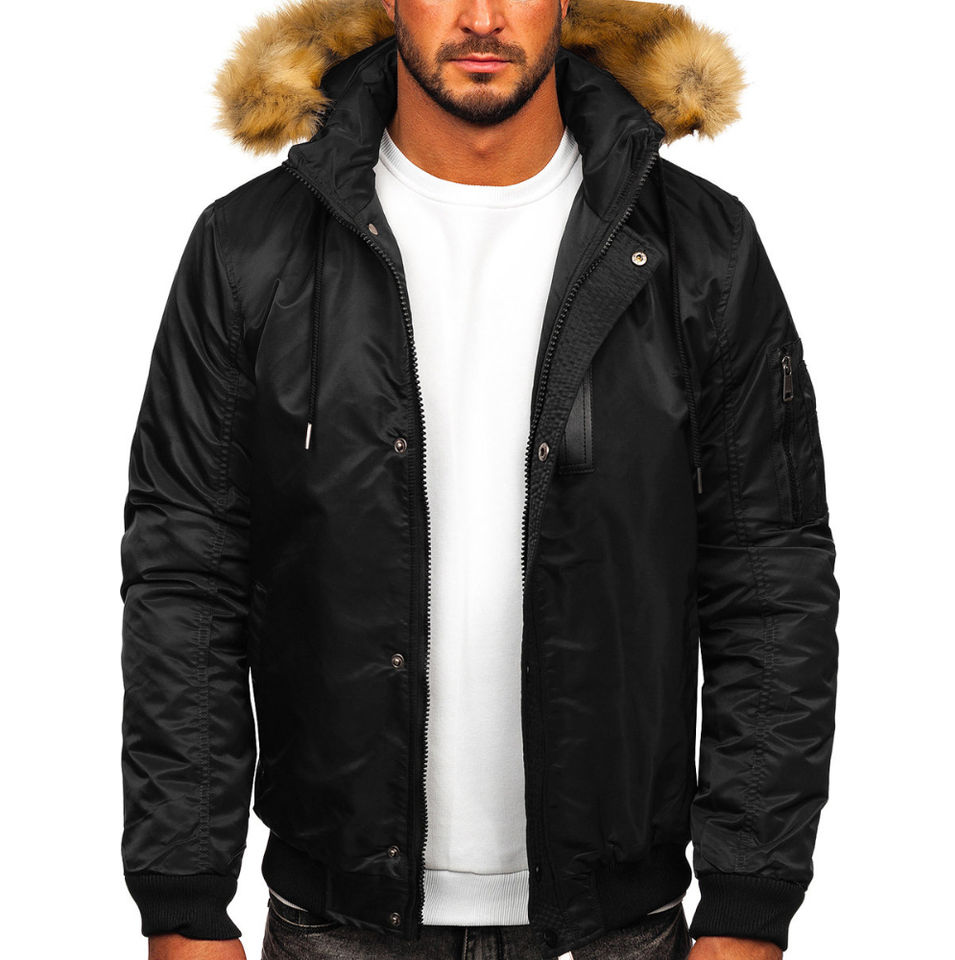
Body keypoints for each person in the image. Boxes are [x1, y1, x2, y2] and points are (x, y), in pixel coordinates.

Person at [119, 0, 840, 958]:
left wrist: (751, 900)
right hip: (337, 923)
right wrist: (184, 900)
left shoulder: (700, 250)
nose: (484, 17)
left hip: (616, 927)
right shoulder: (251, 248)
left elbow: (770, 580)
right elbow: (186, 578)